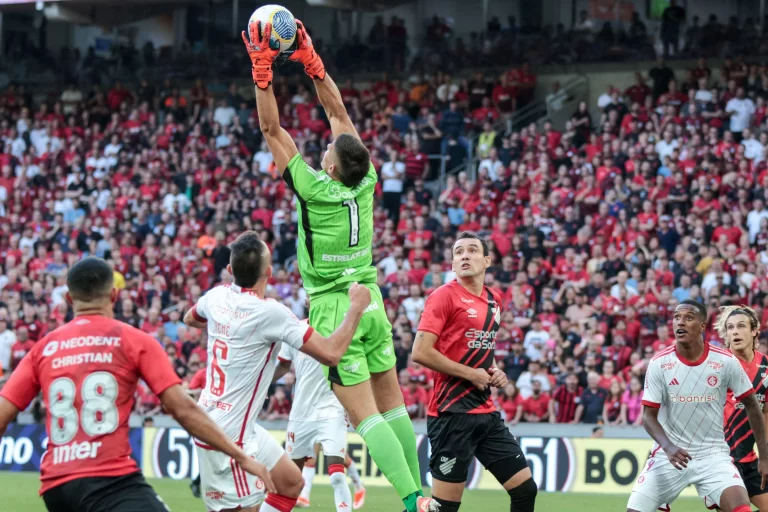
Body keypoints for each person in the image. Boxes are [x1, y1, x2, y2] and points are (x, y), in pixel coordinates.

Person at [242, 20, 426, 512]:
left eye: (325, 150)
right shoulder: (364, 184)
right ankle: (426, 495)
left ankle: (411, 502)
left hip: (333, 307)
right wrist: (311, 61)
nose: (323, 146)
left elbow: (271, 130)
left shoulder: (315, 188)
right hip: (373, 301)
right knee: (395, 407)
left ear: (329, 166)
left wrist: (263, 72)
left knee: (364, 416)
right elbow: (337, 111)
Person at [0, 257, 275, 512]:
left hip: (56, 487)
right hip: (110, 480)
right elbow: (183, 409)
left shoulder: (43, 349)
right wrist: (241, 456)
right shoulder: (133, 340)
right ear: (114, 295)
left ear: (69, 299)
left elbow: (3, 413)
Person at [183, 231, 371, 512]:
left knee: (291, 483)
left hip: (231, 423)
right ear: (269, 273)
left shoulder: (216, 296)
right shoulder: (271, 313)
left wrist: (226, 327)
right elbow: (331, 354)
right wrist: (356, 307)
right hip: (228, 435)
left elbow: (190, 318)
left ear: (230, 270)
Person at [413, 232, 537, 512]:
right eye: (459, 252)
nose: (465, 256)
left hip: (485, 413)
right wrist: (471, 374)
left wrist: (494, 371)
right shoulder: (442, 297)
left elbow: (479, 351)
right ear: (453, 263)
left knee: (525, 491)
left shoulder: (495, 300)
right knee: (444, 508)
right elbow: (420, 352)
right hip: (451, 414)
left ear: (487, 260)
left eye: (472, 250)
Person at [627, 300, 768, 512]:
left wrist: (764, 456)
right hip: (669, 456)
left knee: (740, 508)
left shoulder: (725, 362)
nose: (680, 322)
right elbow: (648, 416)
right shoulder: (659, 363)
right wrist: (669, 447)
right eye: (676, 317)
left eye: (688, 317)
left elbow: (754, 406)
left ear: (703, 326)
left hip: (714, 456)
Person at [273, 298, 363, 511]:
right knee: (290, 481)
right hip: (301, 413)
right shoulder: (295, 330)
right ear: (307, 301)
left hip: (332, 410)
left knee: (337, 477)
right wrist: (261, 385)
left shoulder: (341, 331)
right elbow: (284, 366)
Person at [706, 305, 768, 512]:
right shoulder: (718, 366)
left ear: (753, 331)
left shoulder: (766, 367)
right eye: (730, 327)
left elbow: (765, 412)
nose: (735, 331)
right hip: (721, 461)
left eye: (741, 326)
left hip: (750, 460)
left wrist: (765, 454)